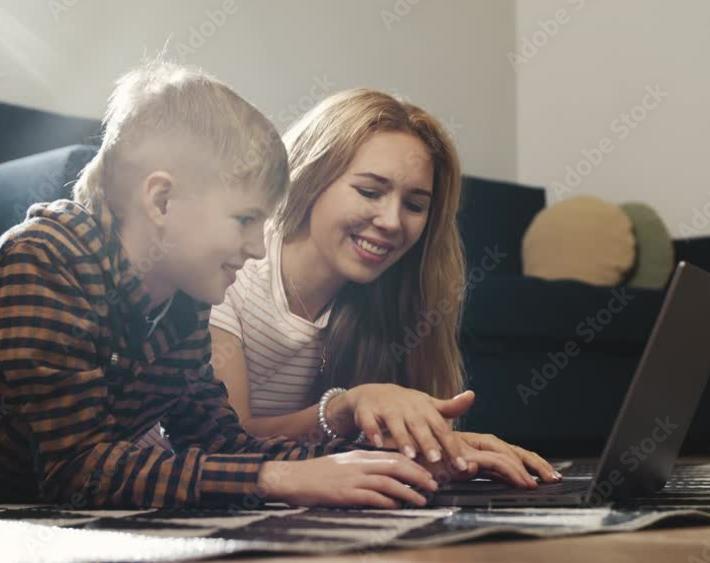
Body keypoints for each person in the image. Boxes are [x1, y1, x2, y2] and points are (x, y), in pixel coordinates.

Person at [0, 62, 447, 510]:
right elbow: (79, 471)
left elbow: (222, 443)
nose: (259, 246)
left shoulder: (182, 304)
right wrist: (274, 480)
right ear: (162, 199)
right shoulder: (40, 263)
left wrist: (375, 466)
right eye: (245, 220)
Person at [205, 89, 561, 487]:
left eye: (414, 205)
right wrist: (345, 407)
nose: (392, 222)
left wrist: (432, 445)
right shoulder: (228, 269)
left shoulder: (393, 294)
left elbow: (332, 453)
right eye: (370, 192)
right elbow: (220, 445)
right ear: (310, 177)